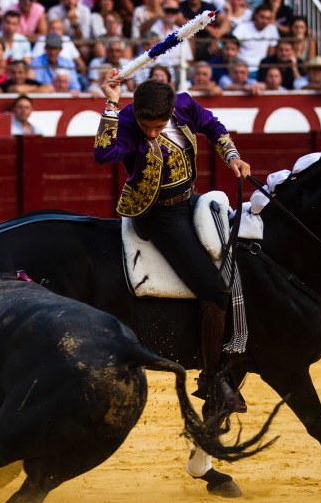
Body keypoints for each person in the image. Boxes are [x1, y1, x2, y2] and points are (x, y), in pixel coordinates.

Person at [95, 69, 251, 413]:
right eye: (146, 126)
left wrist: (232, 156)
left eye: (157, 125)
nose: (151, 132)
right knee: (213, 289)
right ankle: (212, 378)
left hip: (190, 200)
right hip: (158, 215)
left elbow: (212, 125)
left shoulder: (182, 105)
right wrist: (110, 102)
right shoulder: (127, 120)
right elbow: (104, 154)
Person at [232, 4, 279, 75]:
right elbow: (231, 45)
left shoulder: (272, 29)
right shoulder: (243, 27)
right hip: (241, 68)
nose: (265, 21)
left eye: (268, 18)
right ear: (255, 16)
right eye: (262, 17)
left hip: (261, 69)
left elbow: (271, 53)